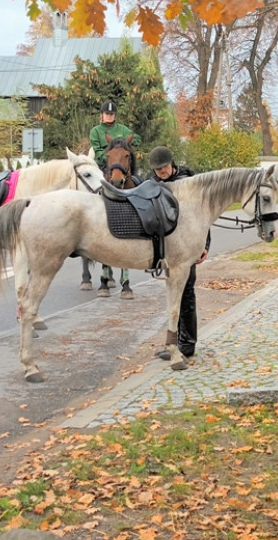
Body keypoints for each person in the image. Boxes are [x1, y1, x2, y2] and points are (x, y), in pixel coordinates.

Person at [147, 145, 209, 371]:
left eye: (163, 168)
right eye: (157, 169)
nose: (160, 172)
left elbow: (203, 216)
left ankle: (188, 343)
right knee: (175, 294)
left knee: (187, 292)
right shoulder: (153, 183)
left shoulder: (189, 179)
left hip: (187, 246)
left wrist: (205, 245)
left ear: (171, 163)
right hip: (166, 249)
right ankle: (176, 342)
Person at [89, 100, 140, 169]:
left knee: (137, 178)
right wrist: (109, 157)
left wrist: (125, 142)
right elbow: (97, 151)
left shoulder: (122, 129)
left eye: (111, 114)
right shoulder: (95, 131)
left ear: (115, 116)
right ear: (102, 115)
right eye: (107, 114)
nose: (109, 116)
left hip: (122, 163)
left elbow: (136, 138)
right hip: (102, 165)